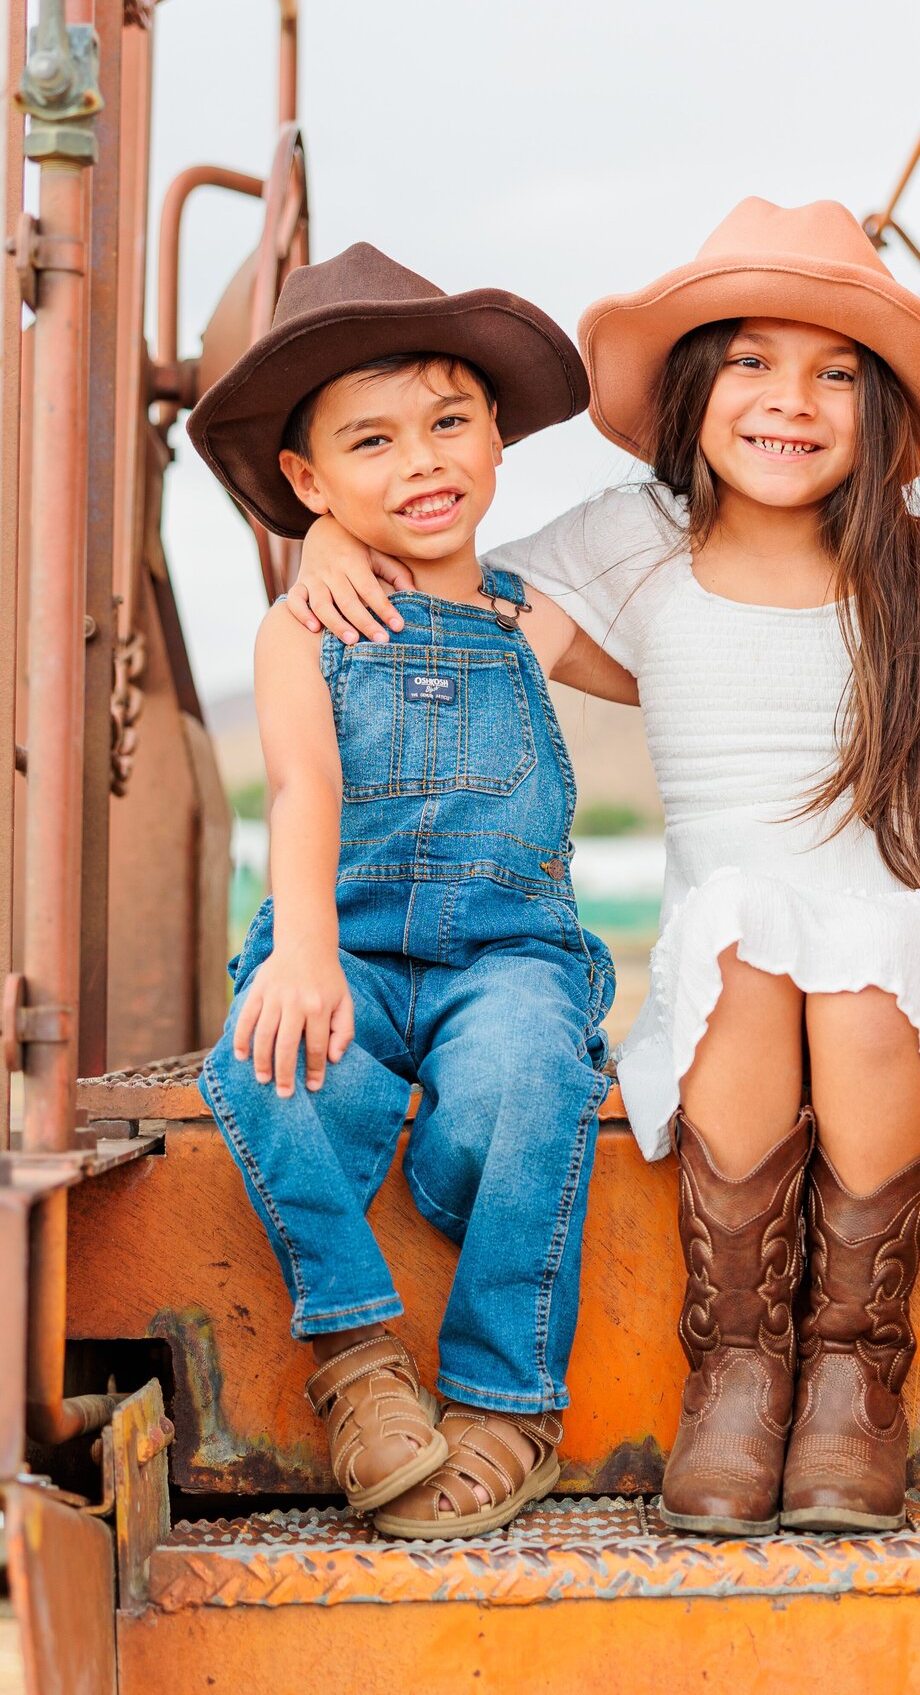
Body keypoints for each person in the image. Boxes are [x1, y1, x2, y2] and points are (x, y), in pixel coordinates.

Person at [284, 201, 920, 1539]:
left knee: (855, 976)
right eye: (749, 360)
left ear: (885, 417)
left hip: (910, 960)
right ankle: (737, 1369)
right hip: (729, 953)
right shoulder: (635, 545)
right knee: (747, 934)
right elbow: (443, 581)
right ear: (693, 391)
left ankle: (855, 1368)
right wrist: (333, 543)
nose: (788, 400)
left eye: (835, 372)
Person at [186, 242, 633, 1540]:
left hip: (509, 948)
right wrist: (304, 950)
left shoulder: (527, 616)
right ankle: (361, 1357)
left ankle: (506, 1398)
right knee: (268, 1068)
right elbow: (301, 782)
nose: (423, 461)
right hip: (356, 936)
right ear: (308, 482)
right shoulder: (303, 623)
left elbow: (679, 669)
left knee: (527, 1076)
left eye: (449, 422)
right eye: (370, 445)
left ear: (498, 438)